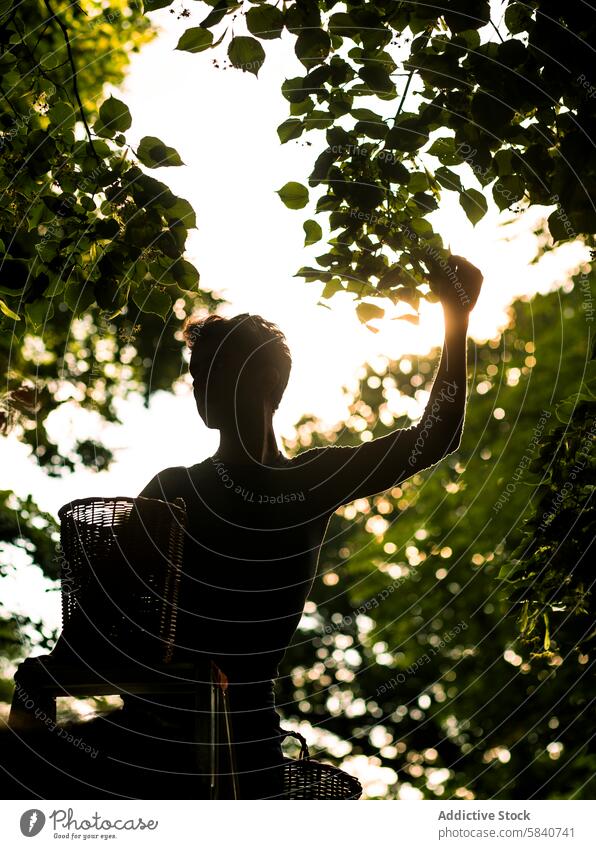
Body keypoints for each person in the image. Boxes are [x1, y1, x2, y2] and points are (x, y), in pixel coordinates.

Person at [124, 254, 483, 798]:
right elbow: (107, 611)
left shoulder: (311, 478)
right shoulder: (174, 489)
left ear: (266, 382)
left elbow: (435, 435)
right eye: (196, 379)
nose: (199, 390)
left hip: (244, 748)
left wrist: (455, 321)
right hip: (156, 740)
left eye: (213, 375)